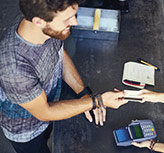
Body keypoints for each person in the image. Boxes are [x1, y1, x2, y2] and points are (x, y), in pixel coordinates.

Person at [0, 0, 127, 153]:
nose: (75, 22)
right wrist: (97, 101)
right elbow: (45, 113)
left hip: (49, 101)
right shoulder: (15, 70)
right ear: (38, 22)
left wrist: (83, 93)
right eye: (67, 19)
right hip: (27, 130)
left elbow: (58, 53)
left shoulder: (43, 27)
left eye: (74, 15)